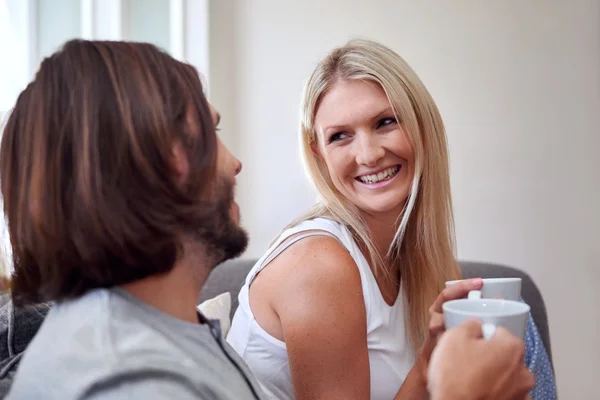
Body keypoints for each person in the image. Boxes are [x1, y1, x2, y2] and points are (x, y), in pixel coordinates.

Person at [226, 38, 556, 399]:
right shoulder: (319, 264)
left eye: (385, 122)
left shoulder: (415, 262)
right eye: (340, 136)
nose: (368, 155)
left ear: (421, 126)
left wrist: (434, 357)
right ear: (318, 153)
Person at [1, 39, 265, 399]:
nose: (235, 163)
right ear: (159, 157)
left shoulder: (163, 330)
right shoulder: (134, 383)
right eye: (211, 134)